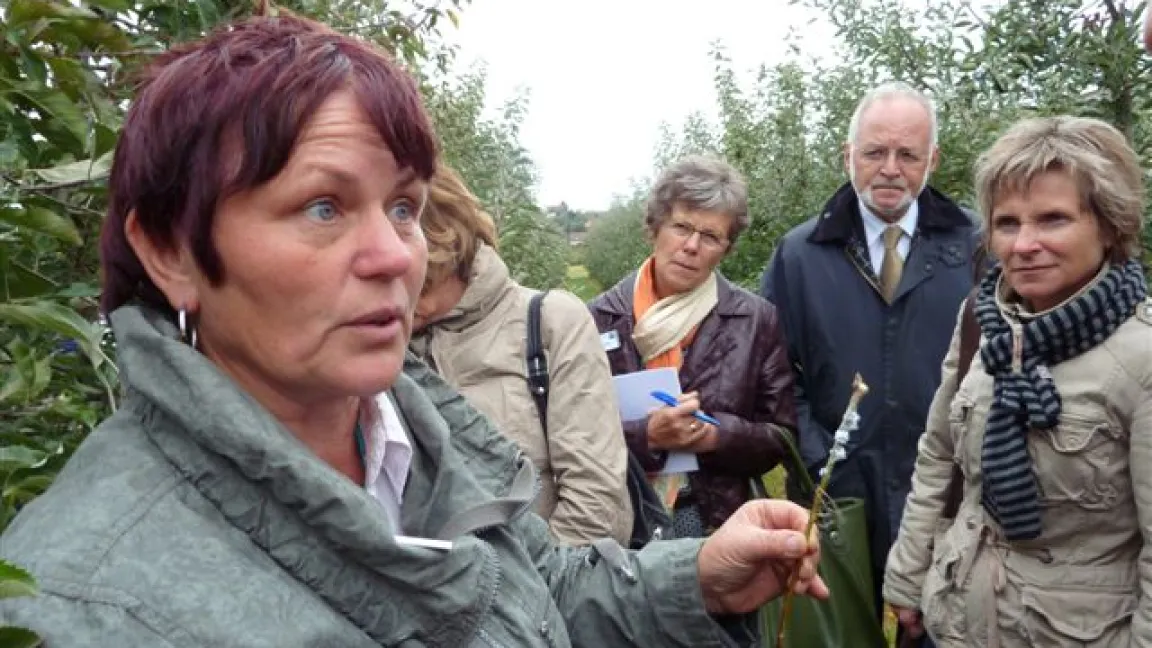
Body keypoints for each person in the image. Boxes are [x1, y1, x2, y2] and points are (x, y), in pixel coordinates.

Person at [0, 11, 829, 646]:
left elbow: (536, 589)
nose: (394, 256)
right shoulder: (85, 605)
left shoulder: (417, 427)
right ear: (171, 249)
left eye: (403, 206)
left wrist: (697, 581)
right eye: (322, 206)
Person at [884, 115, 1152, 647]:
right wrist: (908, 574)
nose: (1024, 244)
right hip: (957, 622)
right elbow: (939, 453)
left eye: (1052, 219)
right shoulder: (981, 322)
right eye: (1007, 223)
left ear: (1109, 225)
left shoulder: (1140, 357)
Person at [759, 82, 979, 632]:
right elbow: (776, 374)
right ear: (847, 155)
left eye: (907, 155)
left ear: (933, 160)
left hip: (950, 494)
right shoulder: (800, 255)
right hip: (837, 495)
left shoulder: (978, 247)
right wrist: (819, 461)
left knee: (939, 631)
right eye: (874, 152)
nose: (890, 169)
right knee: (841, 632)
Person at [410, 162, 632, 547]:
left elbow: (596, 504)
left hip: (541, 594)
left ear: (447, 249)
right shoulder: (381, 343)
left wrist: (527, 596)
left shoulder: (549, 324)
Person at [588, 155, 797, 538]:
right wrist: (647, 435)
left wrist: (718, 436)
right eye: (681, 227)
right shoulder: (596, 319)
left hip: (715, 521)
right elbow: (573, 434)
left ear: (726, 249)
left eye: (711, 236)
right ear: (654, 228)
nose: (692, 246)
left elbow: (781, 436)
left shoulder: (755, 320)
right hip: (619, 520)